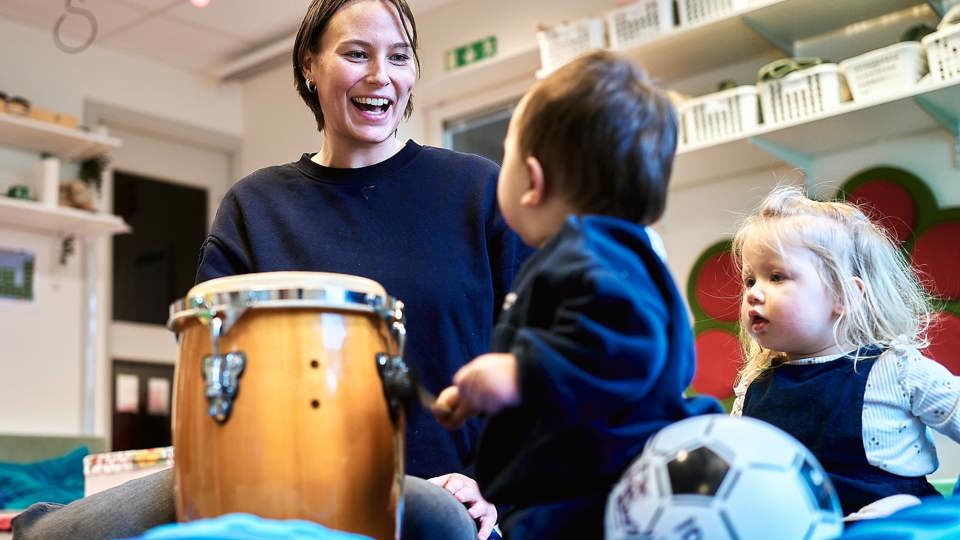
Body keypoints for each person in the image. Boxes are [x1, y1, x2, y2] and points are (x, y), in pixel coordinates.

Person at [12, 1, 526, 539]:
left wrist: (490, 487)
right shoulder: (254, 206)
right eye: (356, 53)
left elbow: (541, 367)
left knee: (438, 517)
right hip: (262, 484)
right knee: (50, 535)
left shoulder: (477, 192)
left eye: (399, 56)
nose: (381, 75)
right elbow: (210, 377)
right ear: (310, 64)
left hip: (442, 494)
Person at [431, 50, 723, 538]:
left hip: (594, 501)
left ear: (532, 181)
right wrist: (492, 396)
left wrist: (520, 373)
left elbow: (626, 346)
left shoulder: (590, 253)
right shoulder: (611, 255)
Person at [730, 185, 960, 516]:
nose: (754, 293)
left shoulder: (895, 370)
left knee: (897, 506)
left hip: (896, 526)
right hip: (803, 527)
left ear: (843, 296)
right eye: (750, 280)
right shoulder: (753, 388)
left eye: (776, 276)